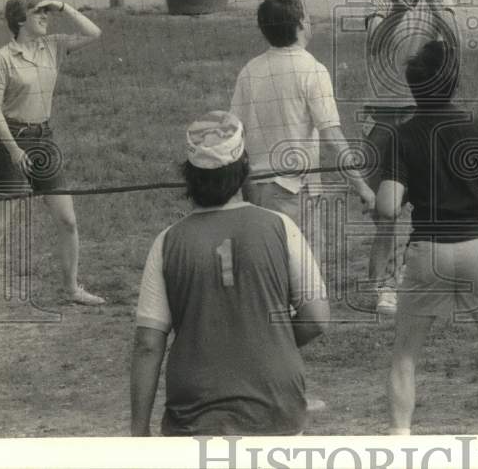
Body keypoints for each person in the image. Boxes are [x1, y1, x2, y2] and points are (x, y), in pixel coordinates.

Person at [131, 111, 329, 436]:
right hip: (275, 406)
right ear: (243, 168)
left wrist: (138, 433)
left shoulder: (167, 241)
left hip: (194, 415)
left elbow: (148, 345)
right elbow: (318, 317)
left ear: (190, 174)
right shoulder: (281, 227)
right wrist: (266, 342)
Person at [377, 40, 478, 435]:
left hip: (428, 251)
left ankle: (399, 440)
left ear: (413, 88)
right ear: (453, 84)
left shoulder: (401, 136)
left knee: (405, 356)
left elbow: (388, 206)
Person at [0, 0, 105, 317]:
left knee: (68, 221)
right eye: (38, 13)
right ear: (19, 20)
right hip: (12, 140)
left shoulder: (53, 45)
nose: (46, 17)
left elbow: (94, 33)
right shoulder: (3, 57)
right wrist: (13, 151)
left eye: (47, 13)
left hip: (45, 138)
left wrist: (64, 5)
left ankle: (72, 288)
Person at [230, 0, 376, 282]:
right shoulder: (312, 69)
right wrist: (362, 187)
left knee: (266, 270)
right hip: (293, 190)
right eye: (307, 17)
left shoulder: (249, 70)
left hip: (255, 188)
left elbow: (234, 133)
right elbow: (333, 136)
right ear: (300, 25)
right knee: (304, 273)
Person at [363, 0, 458, 316]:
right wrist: (401, 7)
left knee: (432, 207)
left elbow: (454, 40)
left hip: (424, 117)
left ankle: (426, 283)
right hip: (385, 118)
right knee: (387, 213)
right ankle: (382, 289)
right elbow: (375, 43)